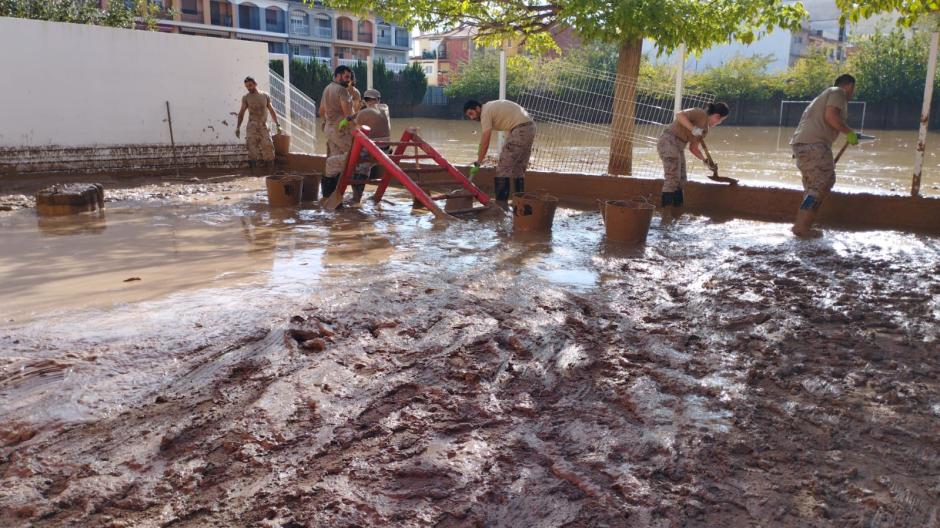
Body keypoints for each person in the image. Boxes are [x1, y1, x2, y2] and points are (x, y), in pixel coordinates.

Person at [790, 74, 859, 237]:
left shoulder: (824, 95)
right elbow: (830, 116)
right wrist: (849, 132)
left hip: (802, 145)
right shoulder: (838, 92)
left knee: (814, 186)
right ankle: (801, 226)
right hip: (814, 145)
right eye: (853, 89)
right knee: (822, 183)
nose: (852, 93)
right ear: (849, 86)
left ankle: (802, 224)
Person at [656, 102, 730, 210]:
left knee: (681, 179)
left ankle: (677, 209)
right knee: (672, 178)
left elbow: (693, 148)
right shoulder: (700, 113)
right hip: (669, 141)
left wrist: (705, 160)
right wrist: (693, 129)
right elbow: (679, 115)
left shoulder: (705, 130)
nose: (719, 123)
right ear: (716, 116)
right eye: (721, 120)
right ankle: (667, 213)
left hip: (679, 147)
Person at [463, 99, 536, 201]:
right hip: (530, 128)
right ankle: (519, 203)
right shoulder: (491, 108)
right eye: (469, 116)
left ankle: (501, 206)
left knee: (502, 168)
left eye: (471, 113)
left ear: (477, 108)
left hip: (520, 130)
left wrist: (478, 162)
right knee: (518, 169)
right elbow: (509, 127)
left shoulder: (485, 113)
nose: (472, 118)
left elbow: (485, 140)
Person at [319, 65, 356, 199]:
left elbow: (321, 111)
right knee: (353, 156)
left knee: (336, 165)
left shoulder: (327, 88)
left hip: (329, 129)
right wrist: (357, 128)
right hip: (340, 130)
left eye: (349, 78)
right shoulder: (342, 90)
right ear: (338, 75)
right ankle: (336, 193)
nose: (348, 80)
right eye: (346, 77)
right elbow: (348, 115)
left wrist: (328, 121)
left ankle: (330, 196)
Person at [350, 89, 392, 202]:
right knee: (366, 163)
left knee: (358, 167)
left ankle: (356, 198)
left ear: (365, 101)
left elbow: (355, 130)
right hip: (386, 150)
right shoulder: (385, 108)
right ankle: (375, 196)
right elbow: (373, 111)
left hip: (371, 151)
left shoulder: (363, 113)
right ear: (378, 99)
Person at [235, 76, 279, 169]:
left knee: (269, 148)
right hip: (252, 126)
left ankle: (270, 174)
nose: (249, 88)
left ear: (255, 84)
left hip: (263, 126)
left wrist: (277, 124)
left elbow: (271, 110)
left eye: (250, 85)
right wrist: (238, 127)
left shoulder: (265, 96)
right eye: (247, 86)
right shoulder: (246, 98)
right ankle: (253, 175)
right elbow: (241, 113)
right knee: (252, 149)